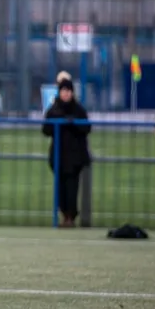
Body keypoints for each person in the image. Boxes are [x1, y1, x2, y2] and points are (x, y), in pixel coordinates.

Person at [42, 78, 91, 228]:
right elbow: (46, 129)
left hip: (75, 157)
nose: (66, 94)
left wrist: (73, 123)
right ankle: (64, 214)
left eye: (68, 91)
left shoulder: (78, 109)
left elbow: (86, 128)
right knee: (61, 188)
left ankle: (71, 216)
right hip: (59, 156)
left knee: (72, 187)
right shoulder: (53, 109)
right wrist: (60, 121)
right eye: (63, 91)